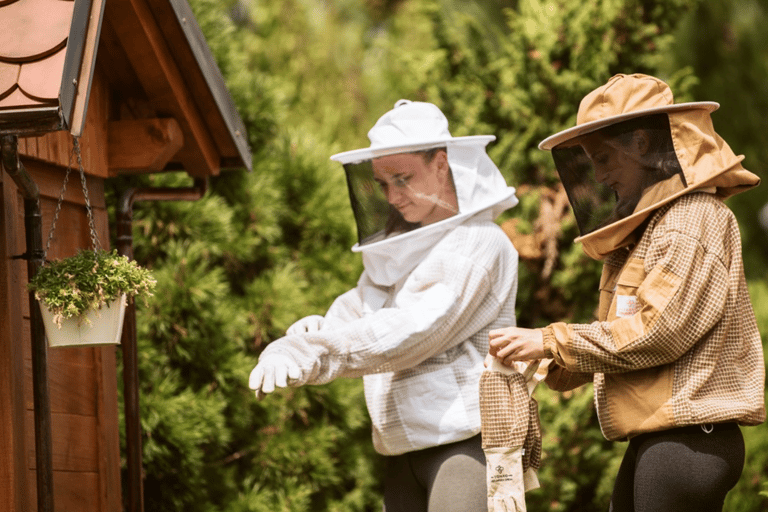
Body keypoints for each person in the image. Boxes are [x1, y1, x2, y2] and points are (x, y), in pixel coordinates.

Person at [487, 73, 766, 512]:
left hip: (689, 439)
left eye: (603, 157)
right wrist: (547, 360)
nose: (598, 175)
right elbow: (623, 337)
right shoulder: (654, 228)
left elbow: (659, 333)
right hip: (667, 440)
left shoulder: (690, 218)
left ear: (640, 144)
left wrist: (550, 339)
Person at [249, 99, 520, 512]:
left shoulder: (478, 242)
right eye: (382, 184)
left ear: (442, 164)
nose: (392, 196)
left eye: (403, 178)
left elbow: (414, 330)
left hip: (464, 447)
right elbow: (365, 308)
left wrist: (313, 352)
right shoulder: (407, 244)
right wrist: (316, 329)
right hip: (399, 454)